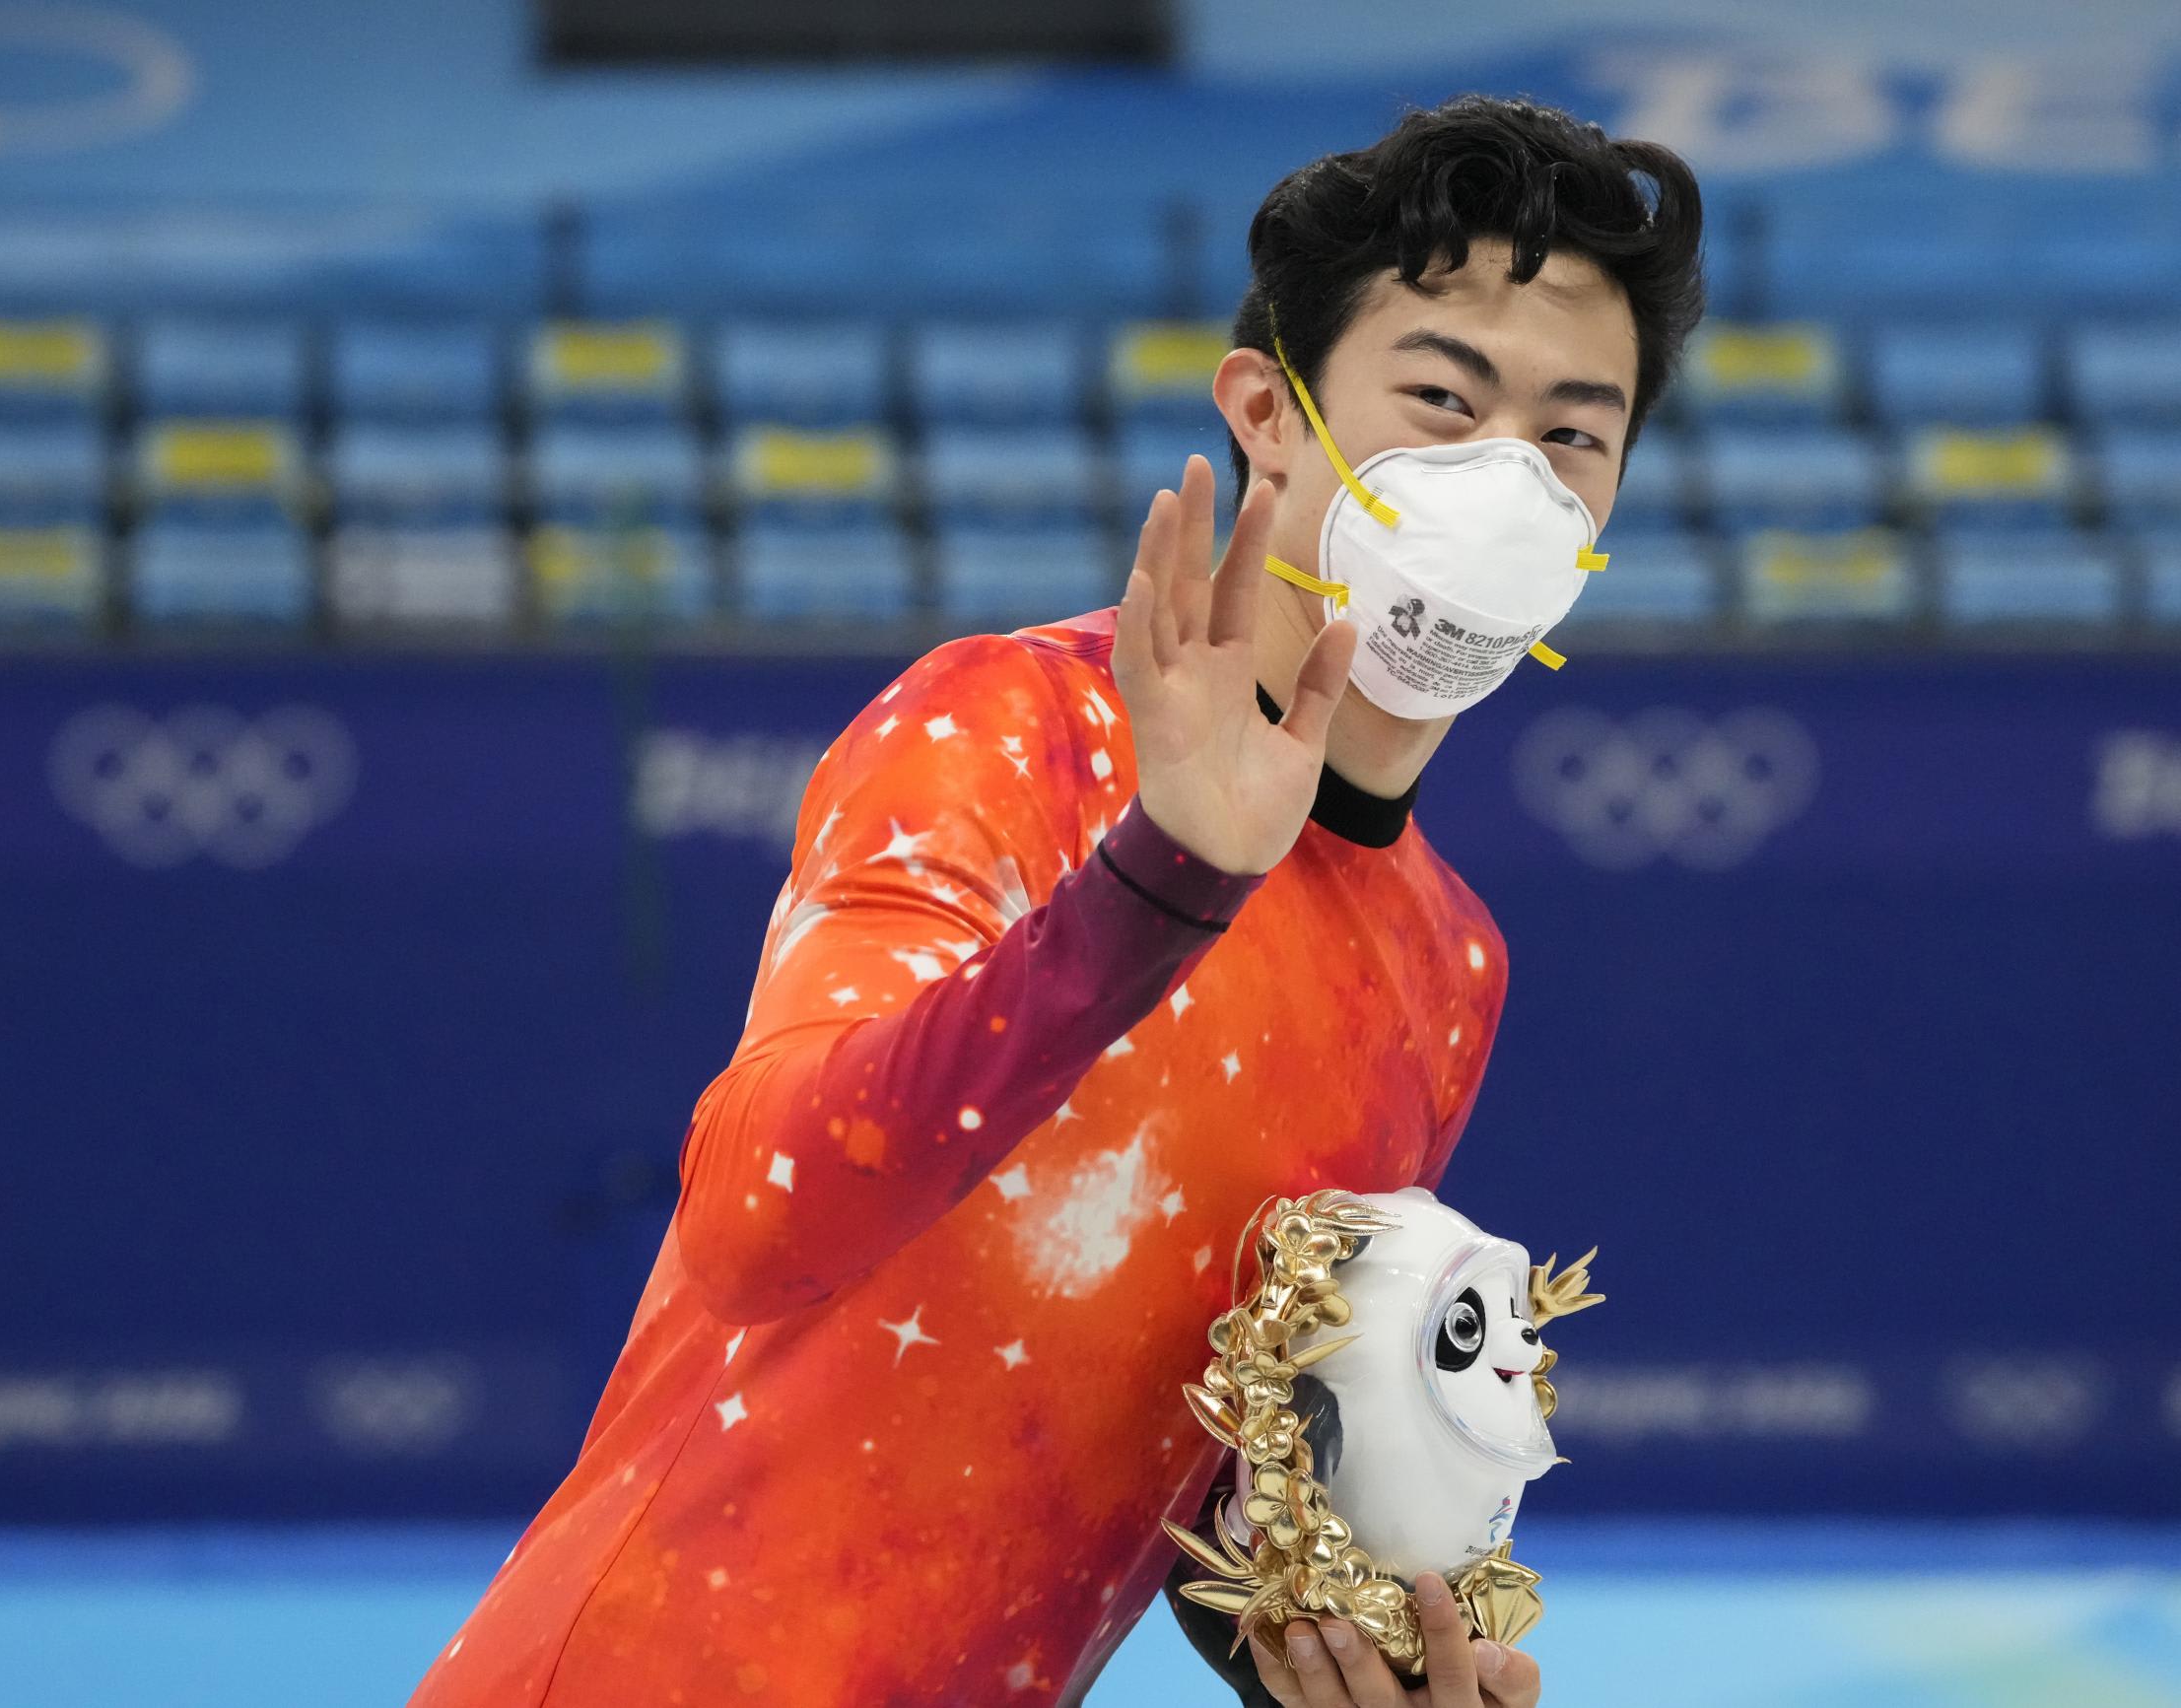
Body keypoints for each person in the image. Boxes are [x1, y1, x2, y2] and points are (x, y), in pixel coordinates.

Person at [411, 93, 1703, 1708]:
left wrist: (1327, 1648)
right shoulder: (1006, 730)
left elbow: (1196, 1441)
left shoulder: (1447, 961)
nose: (1509, 479)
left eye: (1575, 436)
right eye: (1443, 399)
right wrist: (1160, 887)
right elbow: (759, 1216)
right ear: (1270, 411)